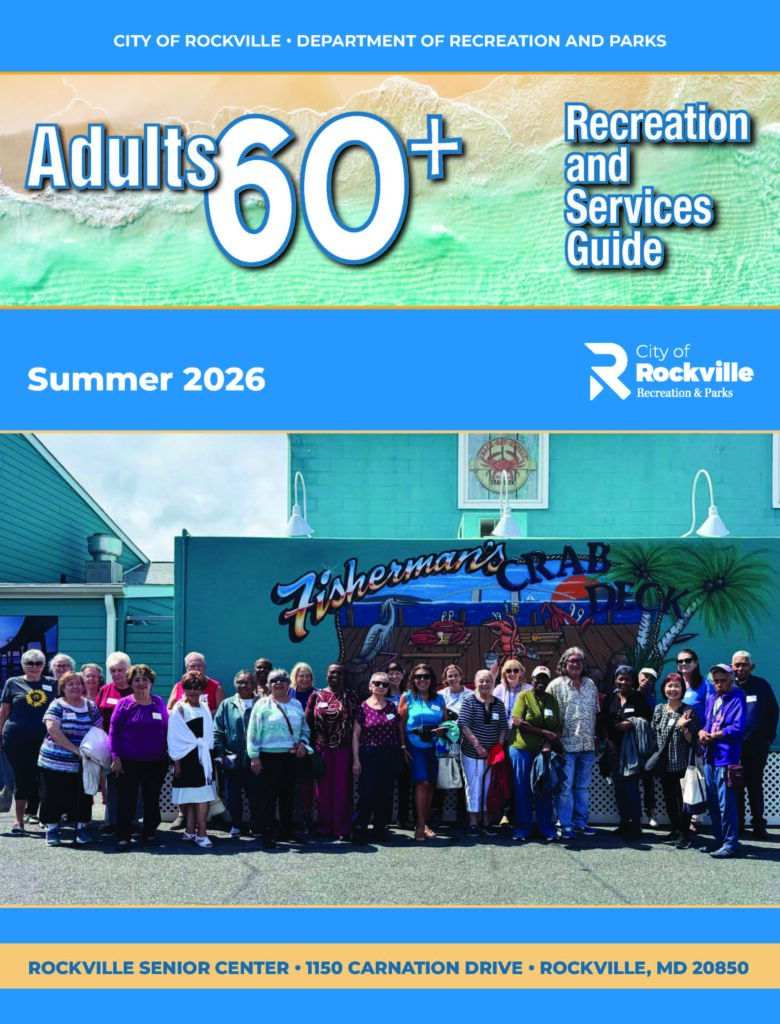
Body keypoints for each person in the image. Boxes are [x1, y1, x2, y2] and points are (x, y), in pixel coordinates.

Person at [108, 663, 169, 850]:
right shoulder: (124, 704)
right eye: (137, 680)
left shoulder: (158, 702)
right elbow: (114, 731)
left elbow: (166, 729)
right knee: (127, 799)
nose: (141, 683)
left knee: (152, 799)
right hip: (128, 761)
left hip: (156, 761)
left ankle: (149, 832)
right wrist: (115, 758)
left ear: (151, 682)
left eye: (145, 680)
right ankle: (124, 836)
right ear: (131, 683)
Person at [37, 671, 102, 846]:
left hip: (83, 762)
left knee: (83, 795)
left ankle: (81, 828)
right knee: (52, 796)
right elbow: (53, 730)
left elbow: (99, 731)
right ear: (63, 688)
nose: (75, 687)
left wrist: (94, 752)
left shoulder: (90, 706)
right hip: (54, 761)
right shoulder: (57, 705)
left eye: (78, 683)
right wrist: (75, 749)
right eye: (70, 684)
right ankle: (52, 830)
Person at [247, 668, 309, 848]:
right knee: (269, 797)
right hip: (268, 757)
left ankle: (287, 831)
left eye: (283, 679)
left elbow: (305, 729)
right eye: (274, 680)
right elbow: (253, 732)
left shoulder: (296, 704)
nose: (279, 683)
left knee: (288, 796)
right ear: (268, 685)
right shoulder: (262, 705)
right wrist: (254, 756)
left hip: (290, 757)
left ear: (289, 684)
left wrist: (304, 744)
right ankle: (267, 834)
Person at [0, 649, 56, 834]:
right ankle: (18, 821)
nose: (34, 666)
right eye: (30, 663)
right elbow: (4, 712)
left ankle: (43, 816)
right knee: (22, 777)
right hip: (16, 738)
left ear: (43, 666)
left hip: (45, 738)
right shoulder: (12, 683)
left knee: (44, 778)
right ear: (23, 665)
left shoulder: (52, 683)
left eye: (38, 663)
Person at [547, 646, 600, 841]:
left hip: (587, 745)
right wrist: (553, 740)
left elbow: (596, 713)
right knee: (565, 787)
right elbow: (549, 716)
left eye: (579, 661)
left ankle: (580, 823)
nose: (576, 664)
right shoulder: (555, 685)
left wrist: (595, 739)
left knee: (583, 787)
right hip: (566, 746)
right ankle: (565, 824)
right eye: (572, 661)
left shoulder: (590, 685)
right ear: (564, 664)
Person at [306, 663, 358, 840]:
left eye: (340, 673)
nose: (336, 675)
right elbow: (307, 725)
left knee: (343, 788)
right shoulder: (316, 695)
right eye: (333, 672)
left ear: (344, 677)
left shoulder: (350, 696)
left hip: (344, 749)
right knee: (323, 789)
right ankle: (324, 827)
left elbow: (357, 725)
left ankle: (342, 828)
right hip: (321, 749)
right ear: (326, 674)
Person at [699, 664, 747, 858]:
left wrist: (716, 735)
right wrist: (703, 732)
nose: (719, 684)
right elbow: (706, 724)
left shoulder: (738, 698)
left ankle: (730, 844)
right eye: (716, 681)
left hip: (726, 757)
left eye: (723, 680)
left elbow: (738, 729)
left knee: (726, 803)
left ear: (731, 680)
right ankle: (719, 840)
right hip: (710, 755)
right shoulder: (711, 699)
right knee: (713, 802)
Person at [509, 666, 561, 843]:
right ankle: (522, 829)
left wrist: (548, 743)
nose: (541, 682)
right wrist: (545, 734)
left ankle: (546, 828)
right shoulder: (524, 696)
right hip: (521, 749)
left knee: (543, 788)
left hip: (543, 752)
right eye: (537, 678)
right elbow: (518, 722)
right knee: (522, 789)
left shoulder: (552, 700)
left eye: (544, 679)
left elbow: (557, 726)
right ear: (532, 680)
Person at [601, 665, 653, 840]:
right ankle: (623, 823)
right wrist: (607, 741)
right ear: (615, 680)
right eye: (620, 679)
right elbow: (603, 722)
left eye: (628, 679)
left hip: (632, 751)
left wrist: (632, 723)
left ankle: (635, 826)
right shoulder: (610, 698)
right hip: (614, 750)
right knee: (619, 788)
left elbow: (648, 721)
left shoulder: (639, 698)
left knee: (631, 787)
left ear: (633, 681)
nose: (624, 682)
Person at [731, 650, 778, 840]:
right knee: (736, 785)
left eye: (744, 664)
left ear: (751, 666)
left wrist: (769, 738)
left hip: (757, 745)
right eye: (737, 665)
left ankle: (759, 825)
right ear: (732, 666)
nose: (740, 668)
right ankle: (739, 825)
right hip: (734, 745)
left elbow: (773, 711)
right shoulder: (729, 685)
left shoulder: (762, 685)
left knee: (754, 785)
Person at [352, 671, 403, 843]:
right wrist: (356, 759)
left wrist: (401, 749)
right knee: (367, 793)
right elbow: (355, 736)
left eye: (385, 684)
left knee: (385, 794)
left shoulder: (391, 707)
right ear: (370, 686)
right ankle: (359, 831)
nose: (381, 687)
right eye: (377, 683)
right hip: (369, 754)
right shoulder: (363, 708)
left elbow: (399, 729)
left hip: (391, 753)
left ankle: (379, 830)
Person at [650, 673, 699, 849]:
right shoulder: (659, 710)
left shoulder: (689, 711)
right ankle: (675, 830)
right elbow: (654, 732)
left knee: (684, 801)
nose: (673, 689)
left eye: (677, 686)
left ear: (682, 689)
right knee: (669, 799)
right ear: (664, 689)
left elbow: (694, 740)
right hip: (665, 763)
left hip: (682, 764)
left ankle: (685, 834)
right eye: (669, 686)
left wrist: (683, 728)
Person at [167, 672, 217, 848]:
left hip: (203, 757)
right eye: (188, 687)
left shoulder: (204, 707)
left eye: (196, 687)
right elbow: (174, 738)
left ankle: (195, 832)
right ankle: (196, 833)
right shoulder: (179, 709)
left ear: (202, 689)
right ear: (183, 689)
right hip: (186, 757)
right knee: (191, 796)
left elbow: (209, 733)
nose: (192, 691)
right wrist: (177, 762)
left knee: (201, 796)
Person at [457, 669, 508, 839]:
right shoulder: (469, 702)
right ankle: (473, 823)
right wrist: (478, 746)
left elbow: (503, 728)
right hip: (472, 753)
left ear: (493, 684)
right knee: (473, 787)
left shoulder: (499, 704)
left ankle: (486, 822)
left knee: (488, 787)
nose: (485, 684)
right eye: (481, 681)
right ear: (475, 682)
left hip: (492, 755)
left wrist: (498, 748)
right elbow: (463, 725)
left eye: (488, 681)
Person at [399, 663, 447, 841]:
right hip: (414, 745)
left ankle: (424, 822)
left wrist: (442, 730)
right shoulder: (407, 697)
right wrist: (403, 747)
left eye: (426, 676)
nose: (422, 680)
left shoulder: (439, 699)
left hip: (434, 747)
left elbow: (445, 723)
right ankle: (419, 825)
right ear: (413, 679)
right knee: (422, 783)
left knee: (431, 784)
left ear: (431, 680)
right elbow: (401, 724)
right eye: (418, 676)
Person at [213, 670, 261, 837]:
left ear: (254, 685)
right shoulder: (227, 704)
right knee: (232, 794)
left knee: (256, 794)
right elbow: (218, 730)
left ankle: (256, 824)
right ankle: (236, 824)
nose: (243, 685)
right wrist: (221, 753)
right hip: (231, 758)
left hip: (255, 759)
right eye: (240, 682)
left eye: (247, 682)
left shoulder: (261, 703)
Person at [95, 651, 134, 836]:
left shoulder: (137, 688)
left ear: (128, 670)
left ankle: (133, 821)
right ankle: (112, 821)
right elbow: (96, 716)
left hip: (133, 745)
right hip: (110, 745)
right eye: (113, 670)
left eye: (121, 670)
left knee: (134, 785)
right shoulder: (105, 690)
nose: (117, 674)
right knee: (112, 785)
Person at [431, 663, 468, 828]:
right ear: (445, 679)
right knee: (442, 779)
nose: (453, 678)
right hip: (444, 743)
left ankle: (462, 817)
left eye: (455, 675)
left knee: (463, 779)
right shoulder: (439, 695)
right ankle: (436, 815)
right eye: (449, 676)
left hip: (464, 743)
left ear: (461, 677)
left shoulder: (470, 695)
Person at [289, 662, 316, 831]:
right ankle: (287, 818)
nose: (304, 679)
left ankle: (307, 817)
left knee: (307, 782)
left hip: (309, 744)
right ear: (295, 677)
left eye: (307, 676)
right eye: (301, 676)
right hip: (288, 745)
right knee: (288, 782)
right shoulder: (287, 693)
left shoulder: (317, 695)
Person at [386, 661, 412, 827]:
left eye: (397, 673)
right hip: (387, 744)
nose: (394, 676)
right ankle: (385, 819)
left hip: (407, 744)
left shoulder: (409, 695)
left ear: (403, 675)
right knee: (387, 784)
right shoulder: (381, 694)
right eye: (391, 673)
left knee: (405, 783)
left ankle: (403, 818)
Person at [637, 666, 659, 827]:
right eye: (644, 678)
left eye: (651, 679)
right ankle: (633, 815)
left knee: (648, 778)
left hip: (648, 744)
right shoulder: (631, 696)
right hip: (631, 743)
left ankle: (651, 813)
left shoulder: (652, 698)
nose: (647, 682)